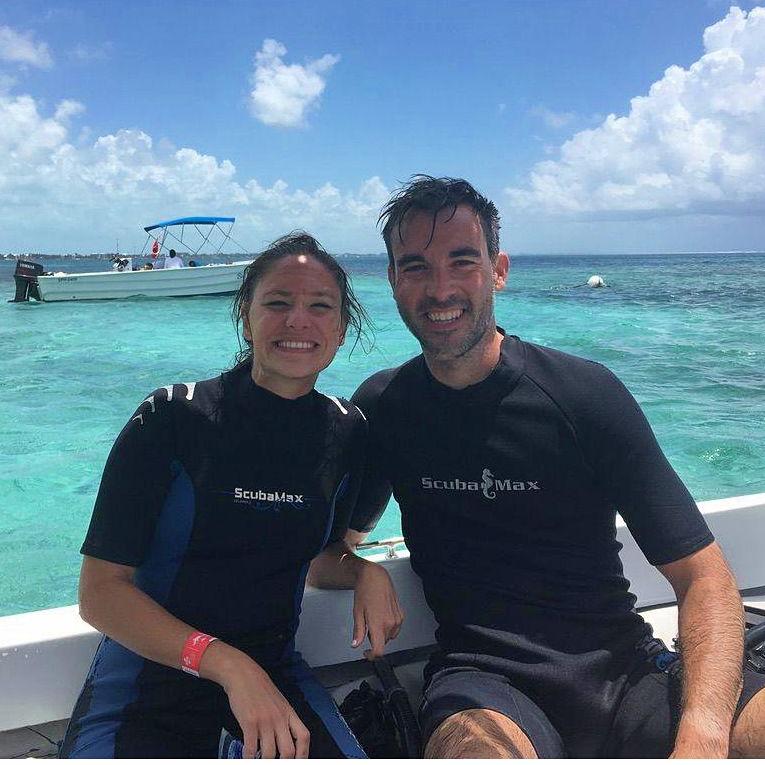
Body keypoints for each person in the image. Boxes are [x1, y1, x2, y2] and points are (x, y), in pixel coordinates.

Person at [310, 177, 765, 758]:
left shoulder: (583, 395)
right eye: (416, 266)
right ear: (394, 280)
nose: (440, 287)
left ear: (498, 270)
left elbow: (704, 578)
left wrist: (702, 742)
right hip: (483, 686)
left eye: (462, 260)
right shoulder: (383, 407)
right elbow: (326, 554)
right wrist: (363, 571)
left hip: (628, 675)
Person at [60, 232, 396, 759]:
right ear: (246, 316)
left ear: (341, 327)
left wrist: (363, 571)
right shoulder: (173, 418)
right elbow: (101, 593)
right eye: (277, 303)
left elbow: (321, 559)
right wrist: (226, 663)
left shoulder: (347, 433)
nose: (297, 321)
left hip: (273, 676)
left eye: (319, 307)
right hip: (148, 686)